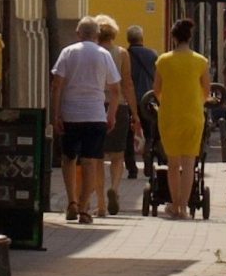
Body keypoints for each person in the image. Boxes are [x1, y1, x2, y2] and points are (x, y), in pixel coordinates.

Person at [48, 15, 121, 224]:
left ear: (78, 33)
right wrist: (111, 114)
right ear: (97, 35)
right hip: (95, 115)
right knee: (90, 161)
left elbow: (56, 85)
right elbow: (115, 90)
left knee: (69, 159)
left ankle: (71, 202)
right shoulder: (103, 55)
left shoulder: (68, 52)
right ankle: (84, 209)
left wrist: (56, 113)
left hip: (71, 114)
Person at [153, 17, 210, 219]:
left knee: (173, 163)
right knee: (189, 164)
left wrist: (168, 101)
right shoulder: (200, 61)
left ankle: (174, 204)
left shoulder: (163, 60)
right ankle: (184, 207)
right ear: (190, 37)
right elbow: (206, 90)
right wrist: (196, 102)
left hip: (169, 115)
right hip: (193, 115)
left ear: (174, 38)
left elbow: (156, 90)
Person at [93, 14, 135, 214]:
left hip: (96, 105)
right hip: (119, 106)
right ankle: (114, 189)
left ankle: (100, 203)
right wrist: (135, 113)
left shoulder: (93, 53)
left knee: (97, 156)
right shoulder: (121, 53)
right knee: (118, 155)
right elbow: (127, 83)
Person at [126, 24, 160, 176]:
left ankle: (132, 168)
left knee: (128, 135)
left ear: (128, 39)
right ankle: (148, 162)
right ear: (141, 38)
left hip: (129, 100)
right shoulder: (152, 55)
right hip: (148, 100)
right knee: (150, 133)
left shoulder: (125, 55)